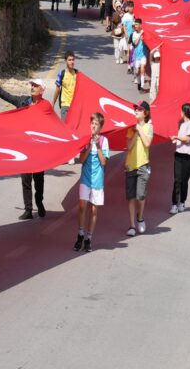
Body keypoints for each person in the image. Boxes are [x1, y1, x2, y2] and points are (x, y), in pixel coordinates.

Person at [0, 75, 48, 219]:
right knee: (25, 180)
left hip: (39, 151)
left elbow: (53, 125)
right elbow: (8, 97)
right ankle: (28, 210)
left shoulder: (45, 106)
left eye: (35, 85)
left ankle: (39, 202)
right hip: (25, 149)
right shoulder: (23, 102)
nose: (32, 87)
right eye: (31, 85)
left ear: (41, 90)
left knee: (39, 181)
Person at [75, 112, 109, 252]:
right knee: (82, 207)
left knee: (94, 210)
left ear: (100, 127)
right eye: (92, 123)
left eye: (96, 124)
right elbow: (81, 160)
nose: (93, 126)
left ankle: (89, 238)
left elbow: (104, 162)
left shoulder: (104, 141)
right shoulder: (85, 139)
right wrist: (89, 146)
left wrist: (98, 146)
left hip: (97, 181)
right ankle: (80, 234)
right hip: (85, 178)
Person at [125, 101, 153, 237]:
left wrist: (140, 129)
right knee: (130, 197)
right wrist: (135, 131)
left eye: (139, 109)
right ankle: (131, 226)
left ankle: (140, 217)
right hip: (131, 166)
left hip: (143, 166)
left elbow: (147, 143)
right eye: (135, 109)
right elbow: (129, 147)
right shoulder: (130, 129)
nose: (136, 111)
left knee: (140, 195)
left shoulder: (149, 127)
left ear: (145, 113)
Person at [170, 103, 190, 214]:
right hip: (179, 154)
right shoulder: (181, 125)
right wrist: (176, 140)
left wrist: (177, 137)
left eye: (181, 111)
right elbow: (181, 139)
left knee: (184, 181)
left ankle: (182, 202)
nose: (180, 113)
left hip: (187, 156)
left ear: (184, 112)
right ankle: (174, 204)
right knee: (177, 180)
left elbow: (188, 139)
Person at [52, 51, 78, 122]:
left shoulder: (77, 74)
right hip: (65, 105)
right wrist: (53, 103)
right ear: (66, 61)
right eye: (69, 60)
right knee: (65, 128)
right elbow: (57, 90)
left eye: (73, 60)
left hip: (75, 105)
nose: (72, 62)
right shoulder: (61, 74)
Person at [131, 19, 148, 93]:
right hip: (137, 55)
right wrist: (140, 35)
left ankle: (142, 87)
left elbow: (148, 42)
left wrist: (144, 39)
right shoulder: (134, 34)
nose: (135, 26)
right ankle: (139, 84)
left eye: (137, 24)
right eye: (135, 25)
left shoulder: (145, 33)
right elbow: (135, 43)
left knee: (142, 69)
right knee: (137, 71)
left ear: (140, 25)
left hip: (143, 54)